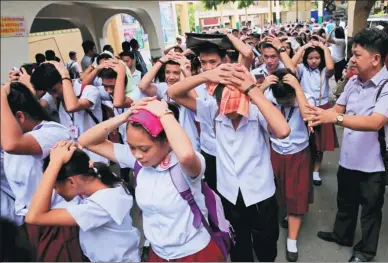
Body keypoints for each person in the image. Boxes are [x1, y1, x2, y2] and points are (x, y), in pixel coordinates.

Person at [168, 62, 291, 262]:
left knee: (266, 247)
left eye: (237, 107)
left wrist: (253, 91)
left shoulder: (256, 111)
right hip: (229, 194)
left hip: (260, 193)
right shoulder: (212, 111)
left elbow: (283, 131)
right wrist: (207, 75)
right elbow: (174, 93)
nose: (232, 113)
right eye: (226, 107)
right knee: (238, 247)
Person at [78, 98, 225, 262]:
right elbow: (86, 141)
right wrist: (126, 116)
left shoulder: (185, 164)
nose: (137, 154)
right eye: (132, 147)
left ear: (167, 140)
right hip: (158, 254)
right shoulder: (137, 161)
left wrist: (164, 113)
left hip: (195, 253)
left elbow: (187, 156)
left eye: (144, 148)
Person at [305, 28, 388, 263]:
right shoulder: (353, 82)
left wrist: (335, 119)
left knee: (371, 210)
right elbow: (337, 110)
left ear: (375, 59)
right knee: (346, 201)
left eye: (357, 54)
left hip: (374, 165)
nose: (351, 58)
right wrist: (319, 115)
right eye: (351, 53)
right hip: (349, 158)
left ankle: (365, 251)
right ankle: (342, 235)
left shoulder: (386, 87)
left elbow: (375, 122)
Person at [1, 82, 83, 261]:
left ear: (20, 117)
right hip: (32, 221)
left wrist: (1, 97)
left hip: (56, 222)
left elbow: (11, 144)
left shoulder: (51, 133)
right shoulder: (15, 140)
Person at [25, 142, 141, 262]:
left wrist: (55, 163)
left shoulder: (99, 206)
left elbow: (34, 217)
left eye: (55, 187)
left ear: (71, 182)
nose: (55, 192)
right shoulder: (105, 181)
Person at [261, 69, 315, 262]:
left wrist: (298, 89)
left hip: (298, 154)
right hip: (275, 152)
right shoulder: (270, 95)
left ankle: (291, 240)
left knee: (297, 194)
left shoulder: (305, 97)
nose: (283, 104)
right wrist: (262, 86)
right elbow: (251, 105)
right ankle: (286, 213)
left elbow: (309, 116)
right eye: (280, 101)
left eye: (287, 100)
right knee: (278, 190)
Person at [30, 62, 105, 163]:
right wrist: (31, 87)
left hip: (96, 156)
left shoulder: (89, 91)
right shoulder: (54, 96)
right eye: (49, 92)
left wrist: (65, 75)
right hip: (74, 158)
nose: (54, 95)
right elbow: (34, 110)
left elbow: (72, 106)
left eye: (54, 90)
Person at [292, 40, 337, 186]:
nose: (314, 61)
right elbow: (290, 66)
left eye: (317, 58)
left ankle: (315, 171)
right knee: (303, 141)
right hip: (305, 108)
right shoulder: (302, 69)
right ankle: (303, 169)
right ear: (306, 58)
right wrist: (303, 48)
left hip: (322, 107)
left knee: (320, 144)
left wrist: (324, 47)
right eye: (310, 58)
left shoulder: (324, 71)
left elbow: (331, 66)